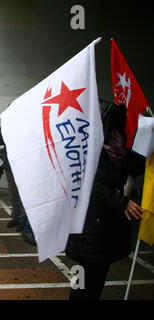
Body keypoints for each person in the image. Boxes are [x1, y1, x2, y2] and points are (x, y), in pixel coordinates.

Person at [65, 100, 144, 300]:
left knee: (96, 278)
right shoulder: (86, 146)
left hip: (103, 228)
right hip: (89, 226)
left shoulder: (114, 146)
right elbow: (90, 184)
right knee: (83, 280)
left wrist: (145, 136)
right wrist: (122, 202)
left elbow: (133, 166)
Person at [0, 126, 27, 232]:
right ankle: (16, 216)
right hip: (10, 162)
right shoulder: (7, 122)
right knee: (13, 192)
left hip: (24, 161)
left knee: (23, 192)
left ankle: (23, 219)